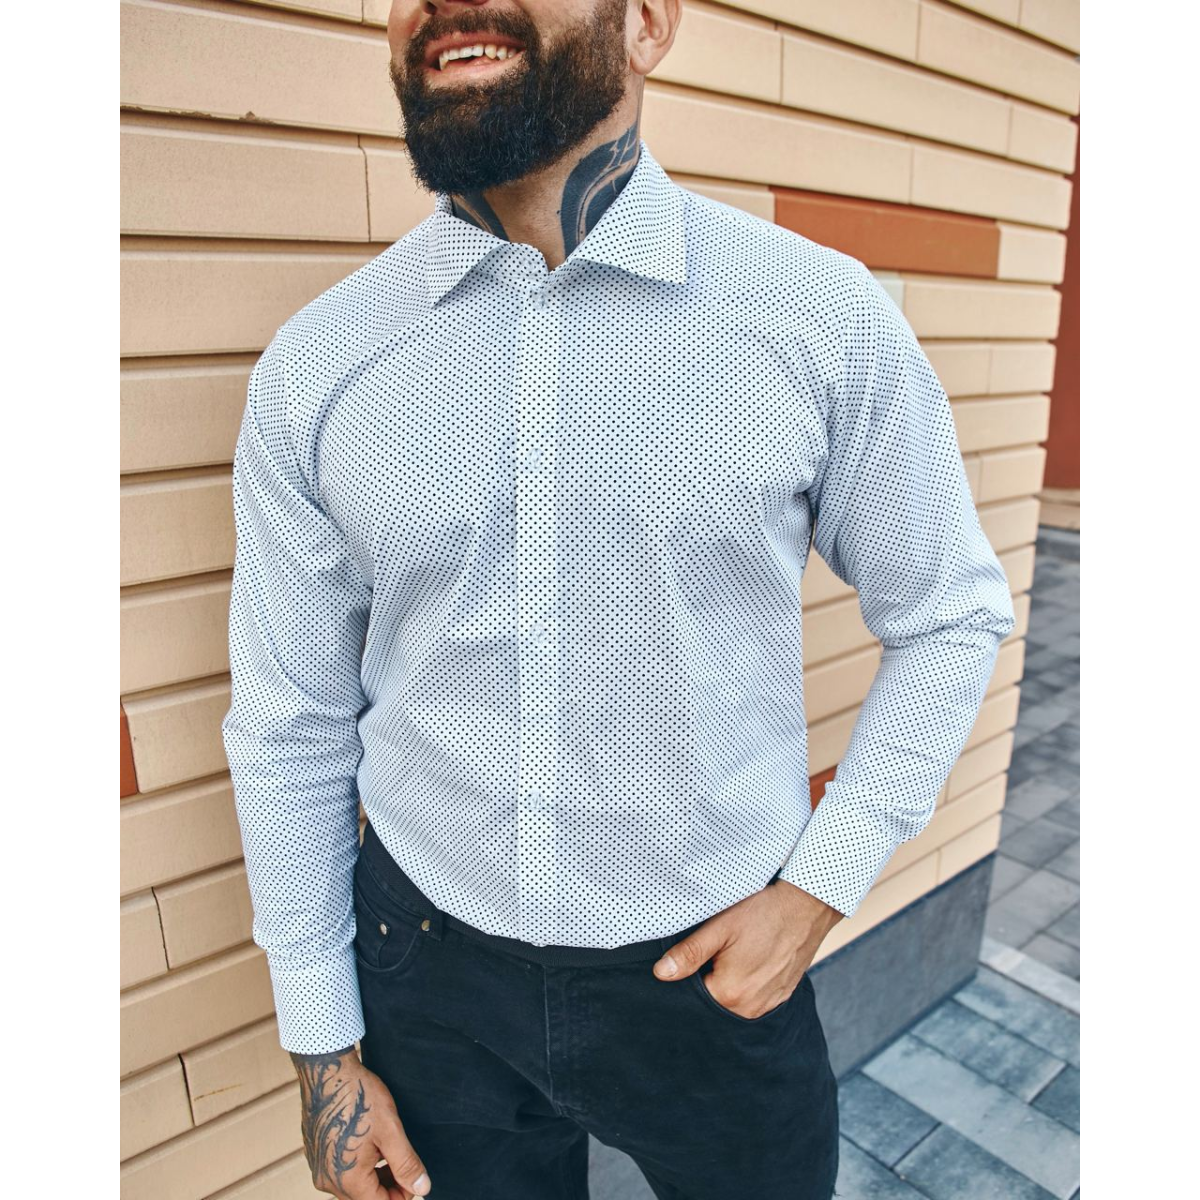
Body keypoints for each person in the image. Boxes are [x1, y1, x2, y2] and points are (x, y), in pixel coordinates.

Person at [220, 1, 1017, 1197]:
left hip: (711, 979)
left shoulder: (816, 317)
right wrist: (324, 1050)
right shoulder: (321, 366)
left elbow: (948, 612)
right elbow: (291, 722)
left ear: (646, 25)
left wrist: (821, 887)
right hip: (426, 974)